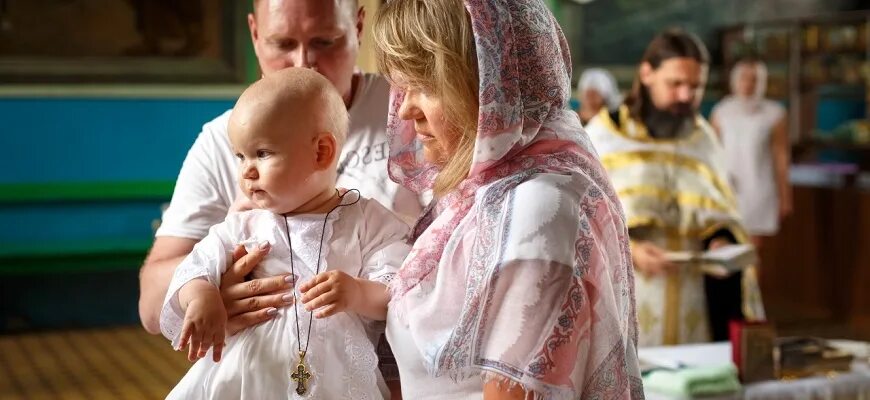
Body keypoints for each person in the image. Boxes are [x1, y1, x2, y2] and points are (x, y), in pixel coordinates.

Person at [373, 1, 643, 398]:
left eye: (428, 85)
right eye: (403, 84)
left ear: (496, 83)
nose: (407, 109)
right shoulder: (485, 191)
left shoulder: (537, 211)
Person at [139, 0, 423, 340]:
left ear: (358, 28)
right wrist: (209, 289)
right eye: (283, 43)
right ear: (255, 35)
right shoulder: (220, 140)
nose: (303, 63)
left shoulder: (413, 110)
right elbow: (151, 306)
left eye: (325, 41)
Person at [161, 68, 409, 399]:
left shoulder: (367, 220)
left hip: (338, 380)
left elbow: (401, 291)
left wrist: (358, 293)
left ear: (321, 152)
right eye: (240, 156)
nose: (247, 171)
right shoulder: (242, 226)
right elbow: (194, 268)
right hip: (249, 377)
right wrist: (202, 296)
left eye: (262, 153)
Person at [585, 29, 765, 346]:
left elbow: (721, 212)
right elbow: (580, 218)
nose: (685, 96)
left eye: (695, 87)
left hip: (692, 298)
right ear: (647, 74)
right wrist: (631, 251)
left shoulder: (702, 138)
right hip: (628, 291)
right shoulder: (604, 134)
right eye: (675, 84)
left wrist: (721, 242)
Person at [711, 59, 791, 249]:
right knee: (724, 243)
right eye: (743, 78)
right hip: (728, 187)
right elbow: (712, 152)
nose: (747, 84)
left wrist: (785, 196)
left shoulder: (775, 114)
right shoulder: (721, 111)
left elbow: (781, 156)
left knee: (751, 248)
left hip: (759, 188)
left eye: (754, 79)